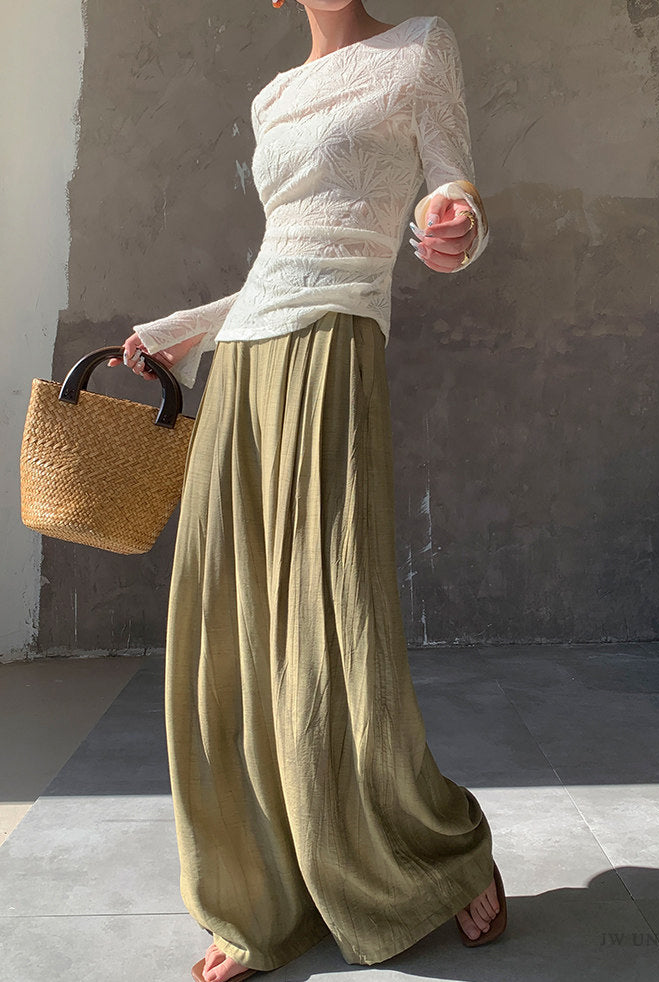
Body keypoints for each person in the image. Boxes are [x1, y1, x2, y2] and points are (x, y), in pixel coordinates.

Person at [108, 2, 505, 980]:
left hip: (333, 346)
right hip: (247, 358)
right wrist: (182, 331)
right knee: (232, 625)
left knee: (340, 626)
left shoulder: (420, 47)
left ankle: (441, 854)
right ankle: (254, 891)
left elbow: (451, 186)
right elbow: (280, 253)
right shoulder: (275, 95)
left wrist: (456, 225)